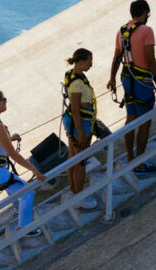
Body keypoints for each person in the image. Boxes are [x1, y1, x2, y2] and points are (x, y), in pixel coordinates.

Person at [0, 90, 46, 241]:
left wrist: (9, 138)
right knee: (28, 192)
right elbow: (13, 154)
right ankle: (24, 228)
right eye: (3, 99)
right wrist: (33, 169)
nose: (6, 101)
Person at [107, 0, 156, 174]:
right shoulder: (147, 31)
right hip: (142, 81)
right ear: (145, 12)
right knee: (144, 121)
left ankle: (131, 157)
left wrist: (112, 78)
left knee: (131, 117)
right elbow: (150, 59)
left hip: (127, 78)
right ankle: (139, 162)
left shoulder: (121, 31)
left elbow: (117, 56)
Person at [61, 48, 99, 210]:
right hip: (80, 123)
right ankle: (79, 196)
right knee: (81, 161)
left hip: (74, 121)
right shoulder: (77, 83)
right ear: (81, 61)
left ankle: (73, 191)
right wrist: (82, 134)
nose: (91, 65)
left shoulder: (71, 74)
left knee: (73, 157)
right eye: (89, 62)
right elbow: (76, 110)